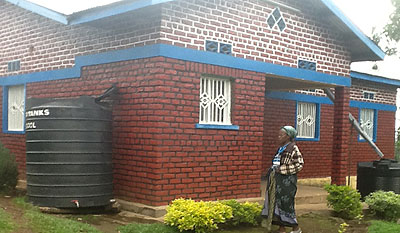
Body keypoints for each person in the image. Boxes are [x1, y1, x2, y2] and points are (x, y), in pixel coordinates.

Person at [261, 126, 304, 233]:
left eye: (281, 135)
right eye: (278, 135)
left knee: (286, 204)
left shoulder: (293, 148)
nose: (279, 137)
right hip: (276, 179)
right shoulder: (281, 148)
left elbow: (299, 164)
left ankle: (296, 228)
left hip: (286, 181)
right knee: (276, 203)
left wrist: (281, 169)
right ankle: (282, 229)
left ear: (288, 136)